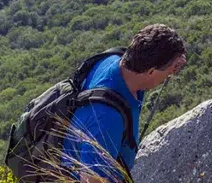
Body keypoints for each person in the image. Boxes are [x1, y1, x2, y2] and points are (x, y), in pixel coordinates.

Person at [62, 24, 187, 182]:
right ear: (151, 72)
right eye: (168, 72)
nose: (169, 75)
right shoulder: (107, 118)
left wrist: (171, 64)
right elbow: (90, 180)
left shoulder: (114, 60)